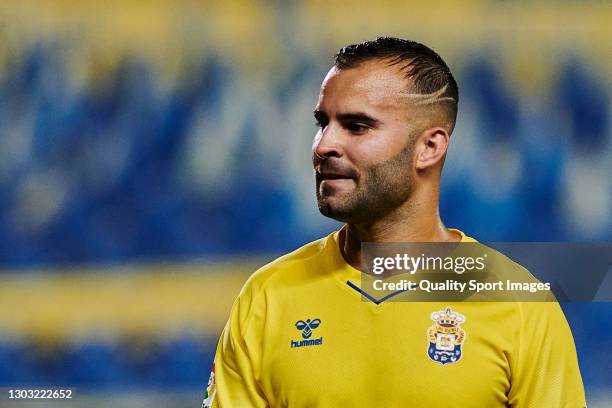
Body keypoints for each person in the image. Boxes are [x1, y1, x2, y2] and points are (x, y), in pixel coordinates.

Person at [202, 37, 586, 407]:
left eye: (357, 126)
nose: (323, 145)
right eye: (323, 122)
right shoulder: (268, 298)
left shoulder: (518, 304)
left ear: (429, 147)